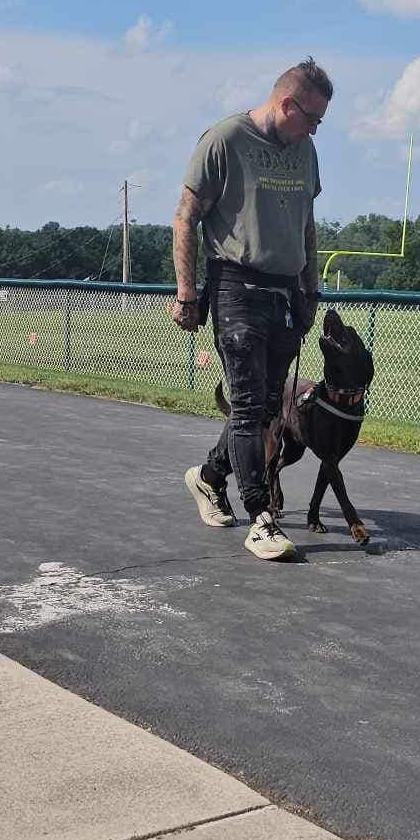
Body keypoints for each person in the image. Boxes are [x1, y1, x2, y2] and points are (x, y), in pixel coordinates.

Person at [171, 57, 332, 561]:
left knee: (265, 406)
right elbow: (185, 218)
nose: (314, 130)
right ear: (287, 104)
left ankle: (210, 476)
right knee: (247, 404)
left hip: (285, 292)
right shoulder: (224, 141)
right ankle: (261, 517)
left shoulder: (305, 152)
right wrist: (187, 293)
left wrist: (310, 289)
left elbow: (306, 224)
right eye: (312, 119)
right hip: (236, 285)